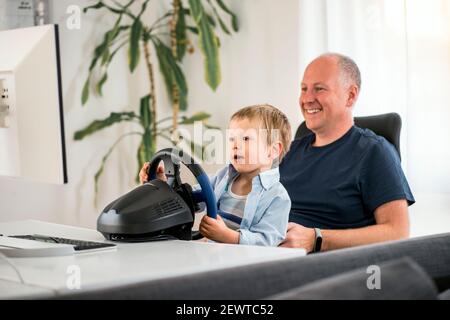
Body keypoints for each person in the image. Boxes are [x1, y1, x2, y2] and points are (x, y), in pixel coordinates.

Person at [278, 53, 415, 253]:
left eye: (319, 89)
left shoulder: (374, 152)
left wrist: (316, 238)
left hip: (326, 267)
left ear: (350, 96)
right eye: (304, 89)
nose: (307, 99)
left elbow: (397, 232)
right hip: (271, 255)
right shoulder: (289, 152)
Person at [140, 104, 292, 246]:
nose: (235, 145)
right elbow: (189, 199)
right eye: (232, 138)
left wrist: (228, 237)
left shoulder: (278, 197)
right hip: (212, 255)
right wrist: (162, 185)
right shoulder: (222, 177)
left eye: (245, 139)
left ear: (272, 151)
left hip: (244, 267)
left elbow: (267, 241)